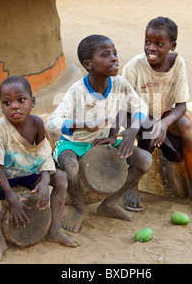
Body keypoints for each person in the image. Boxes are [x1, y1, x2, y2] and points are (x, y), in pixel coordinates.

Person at [47, 34, 152, 233]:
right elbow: (53, 122)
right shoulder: (76, 91)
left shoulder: (120, 84)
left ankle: (110, 203)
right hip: (73, 143)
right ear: (89, 64)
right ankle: (81, 209)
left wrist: (133, 129)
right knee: (70, 166)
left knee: (144, 160)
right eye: (106, 55)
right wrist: (84, 124)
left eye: (115, 53)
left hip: (102, 141)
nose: (114, 58)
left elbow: (140, 106)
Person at [0, 76, 79, 261]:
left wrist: (46, 179)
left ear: (32, 101)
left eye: (20, 100)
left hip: (27, 171)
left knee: (61, 178)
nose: (14, 106)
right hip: (3, 174)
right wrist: (12, 198)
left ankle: (54, 231)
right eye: (7, 102)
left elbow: (44, 153)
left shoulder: (37, 123)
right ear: (1, 107)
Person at [122, 16, 192, 215]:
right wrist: (152, 125)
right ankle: (132, 185)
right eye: (147, 42)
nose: (151, 48)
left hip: (163, 113)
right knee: (149, 130)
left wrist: (165, 123)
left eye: (159, 44)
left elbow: (181, 106)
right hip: (135, 115)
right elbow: (125, 107)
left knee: (186, 128)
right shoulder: (134, 67)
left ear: (172, 45)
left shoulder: (178, 64)